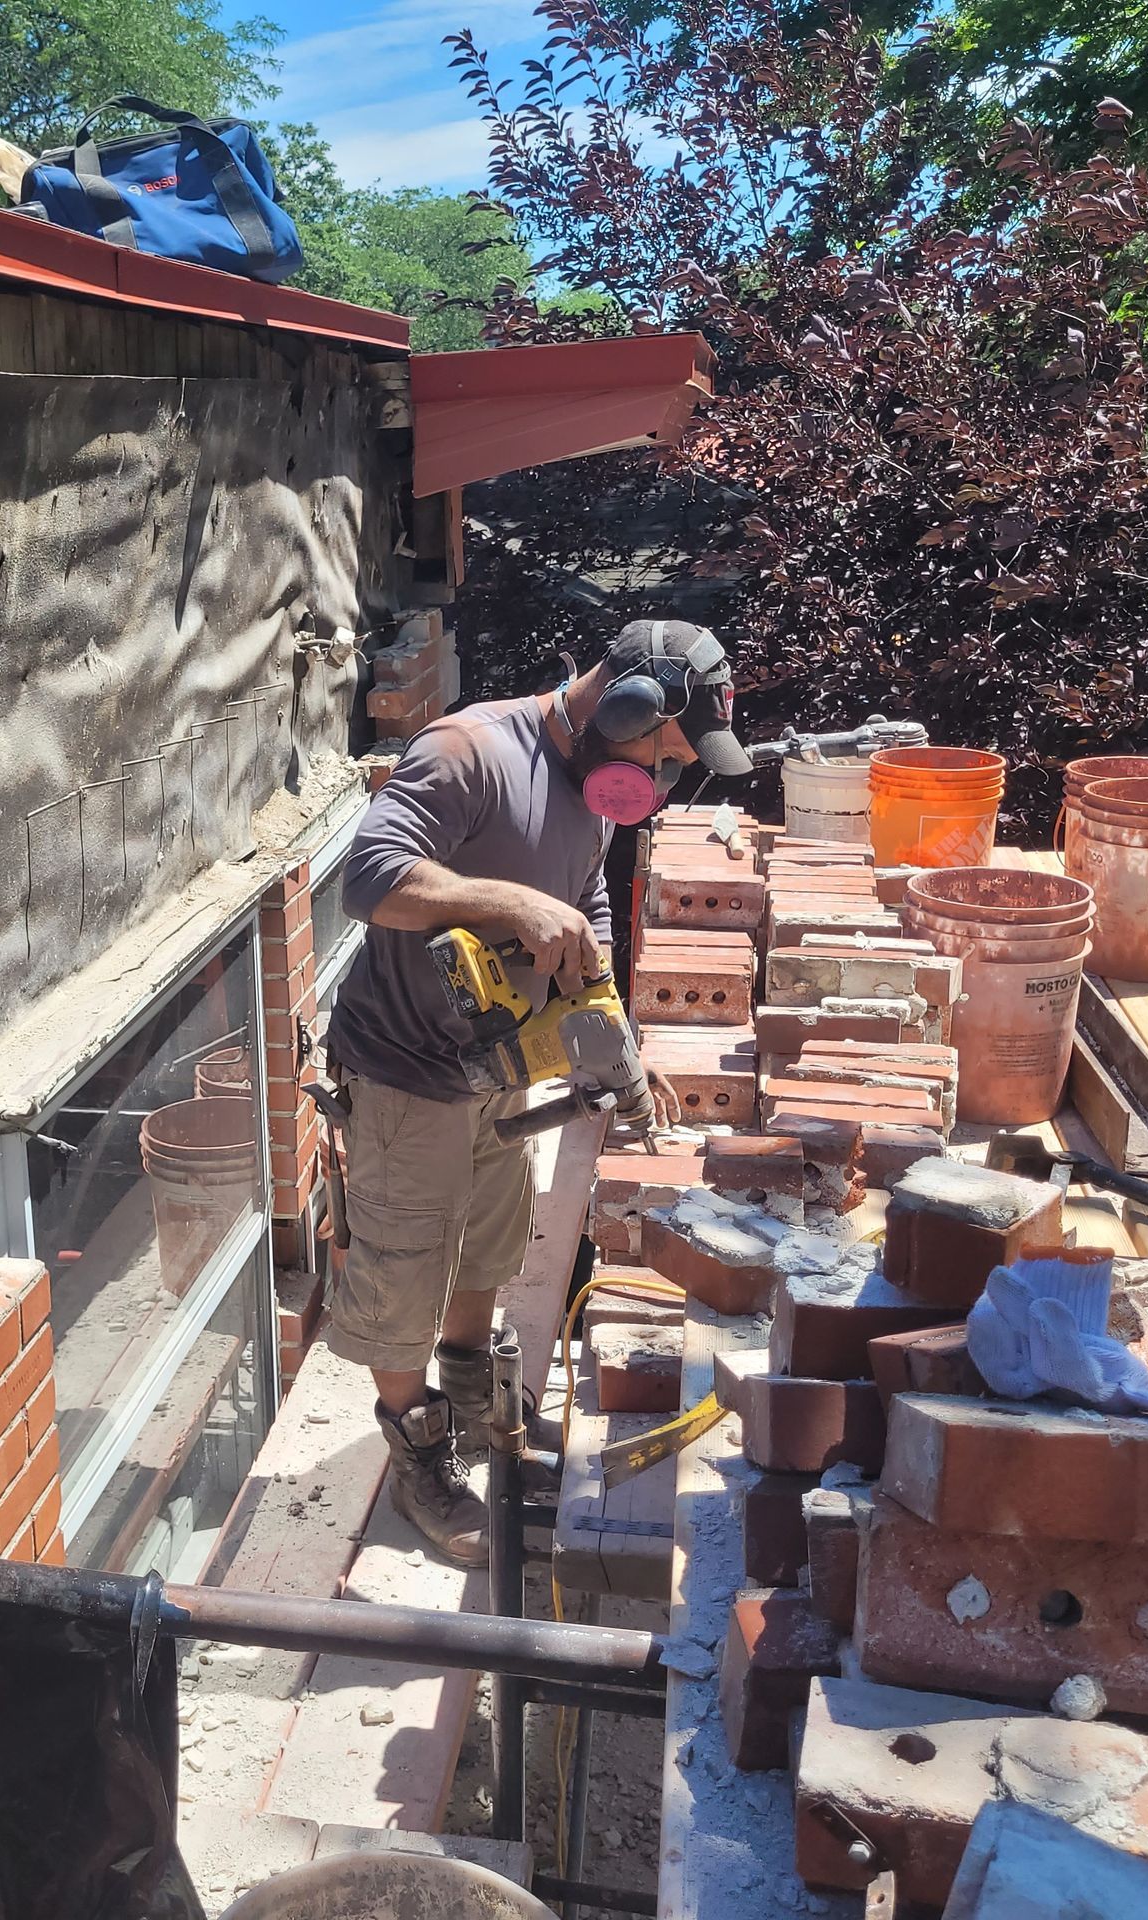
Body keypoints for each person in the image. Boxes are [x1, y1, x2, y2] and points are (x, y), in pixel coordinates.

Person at [325, 618, 751, 1565]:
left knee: (490, 1238)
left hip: (496, 1064)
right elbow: (369, 877)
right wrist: (508, 902)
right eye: (665, 749)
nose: (664, 775)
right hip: (404, 1066)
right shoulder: (469, 753)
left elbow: (588, 891)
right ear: (625, 705)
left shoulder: (600, 790)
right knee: (402, 1269)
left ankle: (475, 1401)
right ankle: (416, 1455)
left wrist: (601, 1009)